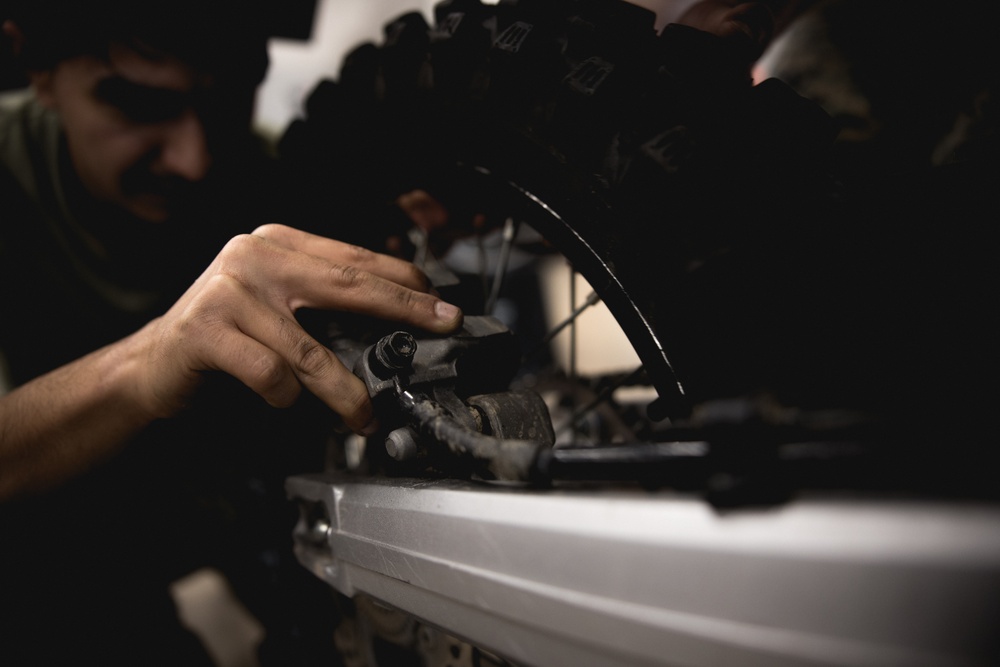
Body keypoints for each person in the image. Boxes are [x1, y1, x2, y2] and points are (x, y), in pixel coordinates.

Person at [0, 0, 463, 663]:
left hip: (245, 516)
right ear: (37, 70)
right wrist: (151, 358)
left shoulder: (264, 177)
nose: (193, 159)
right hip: (59, 557)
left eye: (224, 102)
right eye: (137, 104)